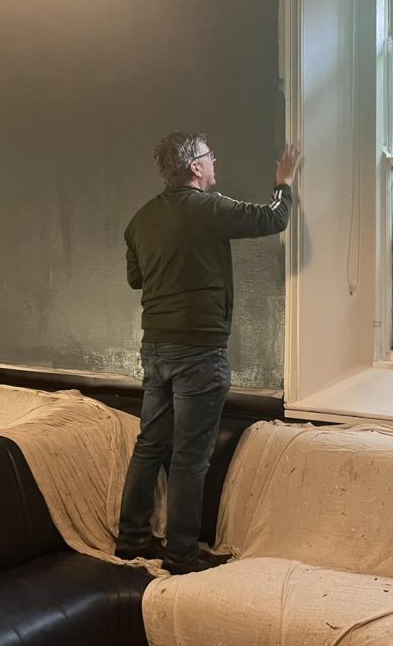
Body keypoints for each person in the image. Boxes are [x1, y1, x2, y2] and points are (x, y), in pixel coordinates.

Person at [115, 132, 300, 575]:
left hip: (155, 347)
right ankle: (181, 555)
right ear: (195, 167)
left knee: (150, 444)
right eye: (209, 155)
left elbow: (136, 279)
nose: (215, 160)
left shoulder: (141, 220)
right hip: (199, 350)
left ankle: (132, 539)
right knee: (190, 456)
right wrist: (284, 181)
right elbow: (273, 218)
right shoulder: (209, 208)